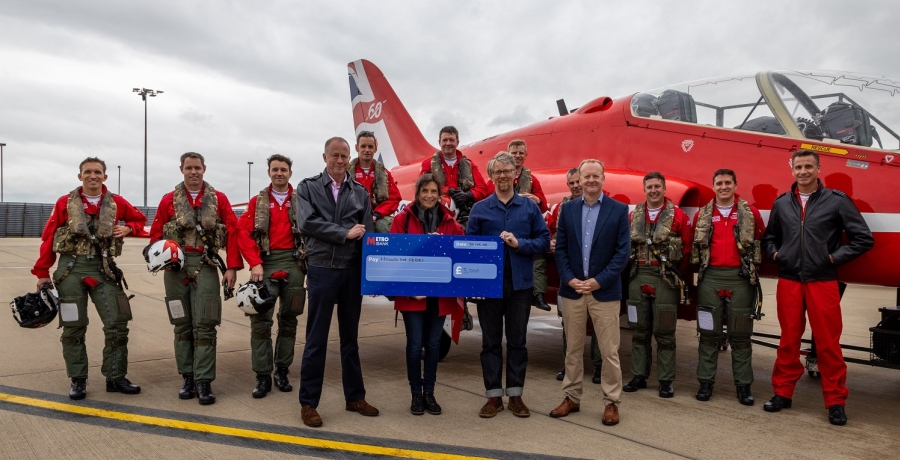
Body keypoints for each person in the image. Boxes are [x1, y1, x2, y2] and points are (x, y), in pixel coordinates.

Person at [762, 149, 873, 426]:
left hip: (822, 281)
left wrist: (833, 258)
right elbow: (770, 238)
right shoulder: (782, 203)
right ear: (792, 169)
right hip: (789, 281)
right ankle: (782, 393)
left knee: (828, 344)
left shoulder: (837, 201)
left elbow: (863, 238)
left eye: (808, 166)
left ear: (818, 168)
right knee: (788, 341)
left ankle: (836, 401)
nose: (803, 171)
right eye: (798, 167)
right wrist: (776, 255)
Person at [32, 157, 146, 400]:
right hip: (70, 271)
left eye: (97, 172)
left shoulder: (117, 202)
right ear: (80, 176)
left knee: (118, 323)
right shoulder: (65, 202)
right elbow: (49, 239)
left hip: (103, 268)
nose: (92, 176)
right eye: (87, 172)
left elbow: (139, 220)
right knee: (73, 327)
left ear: (105, 177)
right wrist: (42, 273)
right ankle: (78, 379)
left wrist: (128, 228)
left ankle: (115, 377)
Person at [148, 152, 242, 405]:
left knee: (206, 323)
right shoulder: (168, 200)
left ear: (204, 169)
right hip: (175, 268)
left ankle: (204, 380)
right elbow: (156, 235)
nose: (193, 172)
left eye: (197, 167)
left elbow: (233, 231)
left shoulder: (219, 199)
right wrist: (161, 259)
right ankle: (187, 376)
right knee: (181, 324)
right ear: (181, 170)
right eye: (189, 167)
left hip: (207, 264)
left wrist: (231, 267)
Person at [297, 137, 378, 428]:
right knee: (316, 340)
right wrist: (344, 233)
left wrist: (373, 272)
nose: (340, 160)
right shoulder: (307, 188)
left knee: (350, 340)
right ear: (325, 157)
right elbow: (307, 223)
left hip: (351, 271)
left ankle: (355, 397)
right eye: (335, 155)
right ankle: (308, 403)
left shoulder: (360, 192)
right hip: (321, 270)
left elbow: (367, 234)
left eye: (344, 155)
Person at [466, 151, 550, 418]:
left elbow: (544, 241)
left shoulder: (530, 208)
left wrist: (519, 244)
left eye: (507, 170)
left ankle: (515, 395)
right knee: (490, 343)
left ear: (516, 174)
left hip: (520, 286)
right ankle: (493, 397)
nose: (502, 175)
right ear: (491, 177)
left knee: (518, 342)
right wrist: (473, 287)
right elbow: (469, 250)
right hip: (489, 288)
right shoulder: (479, 209)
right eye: (497, 172)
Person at [550, 159, 630, 426]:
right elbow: (559, 249)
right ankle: (571, 397)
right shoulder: (568, 209)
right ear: (579, 180)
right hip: (573, 291)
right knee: (572, 349)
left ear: (604, 178)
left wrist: (599, 281)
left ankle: (611, 402)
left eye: (596, 175)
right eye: (587, 176)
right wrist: (570, 279)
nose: (591, 180)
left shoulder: (618, 210)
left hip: (604, 292)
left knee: (609, 351)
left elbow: (622, 253)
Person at [390, 173, 465, 415]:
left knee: (433, 345)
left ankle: (430, 393)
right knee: (414, 345)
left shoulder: (451, 223)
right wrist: (412, 290)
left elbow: (460, 257)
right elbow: (394, 258)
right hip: (412, 295)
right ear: (418, 193)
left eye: (434, 191)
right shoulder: (401, 221)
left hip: (440, 296)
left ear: (440, 194)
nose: (429, 196)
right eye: (425, 191)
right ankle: (415, 394)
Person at [690, 168, 765, 405]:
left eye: (728, 183)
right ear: (713, 186)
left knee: (741, 335)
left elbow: (759, 238)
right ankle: (705, 383)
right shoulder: (702, 215)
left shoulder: (750, 214)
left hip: (740, 278)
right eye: (719, 183)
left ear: (735, 185)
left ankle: (743, 386)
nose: (723, 187)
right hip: (710, 277)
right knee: (708, 334)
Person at [237, 154, 307, 398]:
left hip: (294, 263)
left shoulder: (302, 200)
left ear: (290, 173)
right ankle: (262, 375)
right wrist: (255, 263)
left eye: (284, 169)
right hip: (265, 264)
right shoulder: (257, 202)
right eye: (275, 169)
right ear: (269, 172)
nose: (279, 173)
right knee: (260, 322)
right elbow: (242, 234)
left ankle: (283, 371)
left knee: (289, 320)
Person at [623, 172, 692, 398]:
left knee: (665, 332)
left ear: (664, 189)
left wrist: (674, 272)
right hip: (638, 274)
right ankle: (639, 376)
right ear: (644, 190)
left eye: (657, 187)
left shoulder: (678, 216)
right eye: (649, 187)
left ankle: (665, 380)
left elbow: (688, 248)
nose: (653, 190)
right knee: (639, 331)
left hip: (665, 278)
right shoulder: (634, 216)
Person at [548, 168, 602, 383]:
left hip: (595, 275)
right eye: (571, 183)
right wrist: (551, 240)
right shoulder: (563, 208)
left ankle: (598, 367)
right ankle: (569, 366)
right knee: (569, 325)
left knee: (598, 324)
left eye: (577, 181)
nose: (575, 186)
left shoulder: (603, 206)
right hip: (570, 275)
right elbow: (552, 233)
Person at [486, 139, 551, 311]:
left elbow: (543, 204)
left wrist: (536, 200)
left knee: (537, 261)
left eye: (521, 153)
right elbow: (484, 205)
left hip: (523, 232)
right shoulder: (492, 181)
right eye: (514, 153)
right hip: (496, 251)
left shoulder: (532, 179)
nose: (517, 156)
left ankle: (538, 294)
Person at [419, 126, 489, 229]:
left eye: (451, 140)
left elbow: (482, 188)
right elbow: (422, 188)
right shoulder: (428, 165)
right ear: (439, 142)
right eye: (445, 140)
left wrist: (468, 195)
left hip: (465, 214)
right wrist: (448, 191)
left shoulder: (469, 165)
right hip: (437, 213)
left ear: (457, 142)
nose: (448, 143)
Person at [351, 131, 401, 233]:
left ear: (375, 148)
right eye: (363, 146)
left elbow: (394, 198)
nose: (367, 150)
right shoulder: (346, 173)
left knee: (389, 228)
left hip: (375, 217)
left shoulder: (384, 174)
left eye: (370, 147)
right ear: (357, 148)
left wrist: (376, 214)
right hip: (351, 216)